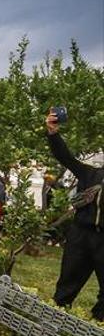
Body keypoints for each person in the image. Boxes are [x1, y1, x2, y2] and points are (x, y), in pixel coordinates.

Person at [46, 112, 104, 320]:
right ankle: (55, 324)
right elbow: (66, 158)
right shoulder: (91, 174)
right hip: (81, 235)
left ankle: (97, 331)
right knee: (67, 284)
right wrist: (53, 133)